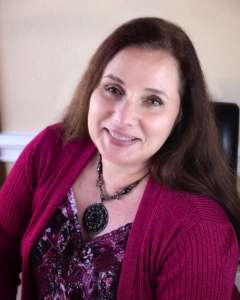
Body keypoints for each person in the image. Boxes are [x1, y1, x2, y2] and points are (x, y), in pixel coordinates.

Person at [0, 17, 239, 300]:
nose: (122, 118)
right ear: (92, 88)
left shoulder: (200, 228)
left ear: (179, 117)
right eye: (113, 89)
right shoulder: (51, 147)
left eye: (152, 101)